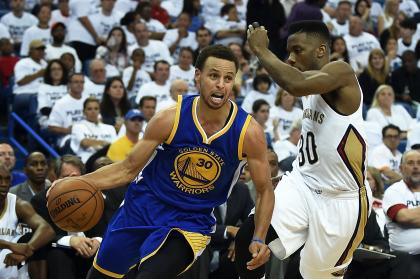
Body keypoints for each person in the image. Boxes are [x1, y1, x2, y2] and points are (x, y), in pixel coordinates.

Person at [50, 44, 274, 279]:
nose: (221, 84)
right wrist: (76, 184)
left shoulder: (248, 132)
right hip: (142, 208)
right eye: (214, 76)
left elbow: (265, 190)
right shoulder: (169, 118)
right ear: (198, 76)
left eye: (228, 78)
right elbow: (127, 169)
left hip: (190, 221)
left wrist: (259, 237)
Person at [237, 20, 372, 278]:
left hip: (341, 201)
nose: (290, 57)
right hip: (303, 184)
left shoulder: (341, 73)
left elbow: (295, 83)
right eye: (289, 51)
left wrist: (261, 50)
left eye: (297, 50)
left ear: (321, 50)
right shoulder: (308, 82)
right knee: (248, 238)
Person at [0, 164, 55, 279]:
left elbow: (47, 230)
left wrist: (27, 249)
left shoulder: (18, 204)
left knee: (37, 241)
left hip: (10, 262)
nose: (4, 184)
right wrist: (10, 245)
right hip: (10, 250)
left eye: (7, 179)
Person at [382, 150, 420, 277]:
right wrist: (411, 217)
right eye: (410, 163)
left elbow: (411, 217)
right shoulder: (394, 191)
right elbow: (404, 217)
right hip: (406, 258)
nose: (416, 166)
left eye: (419, 163)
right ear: (401, 168)